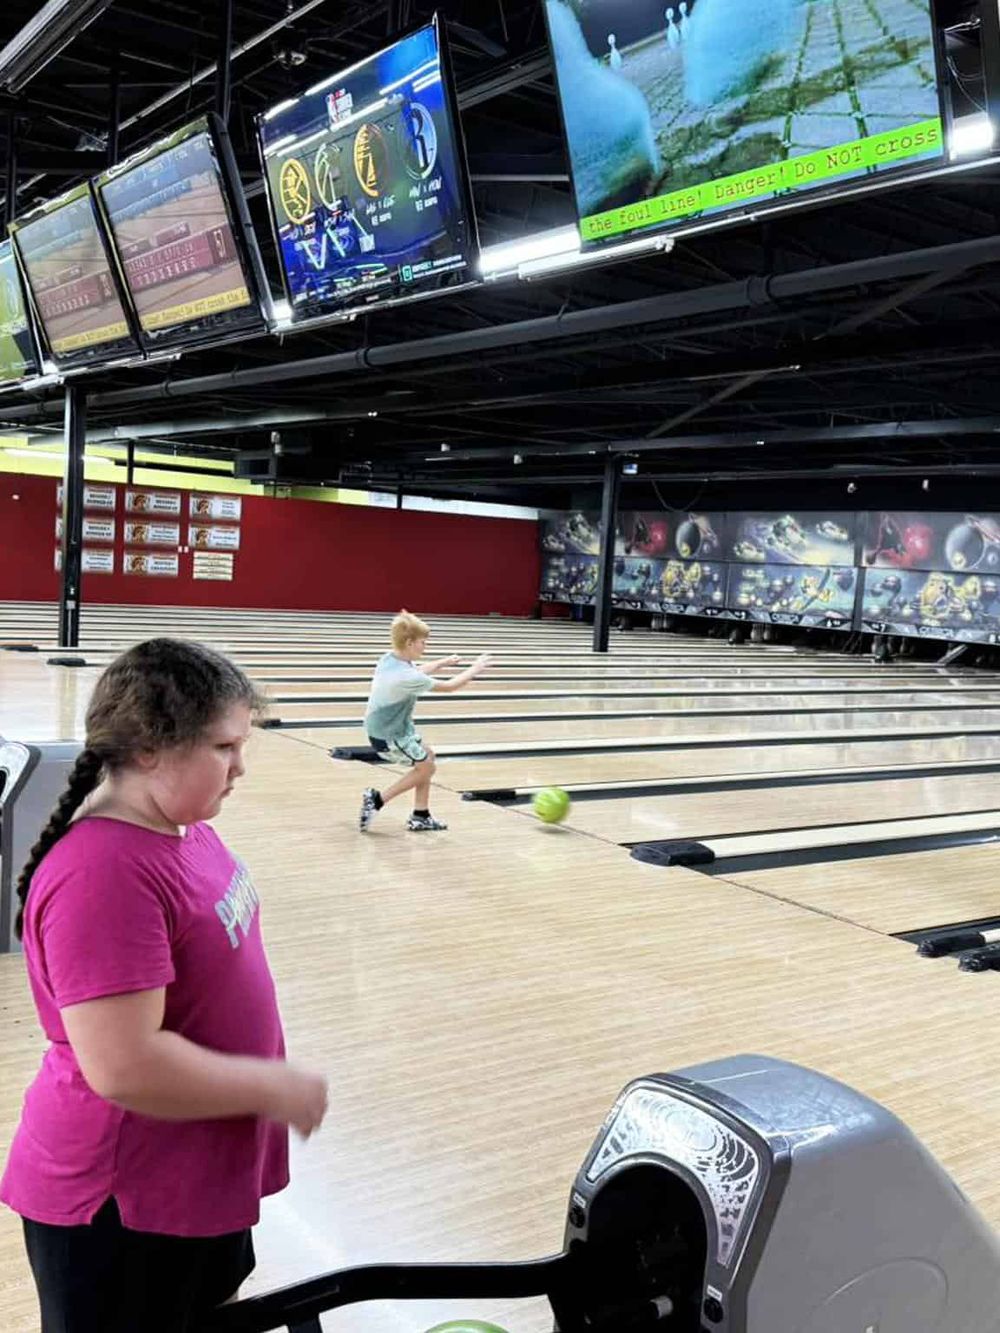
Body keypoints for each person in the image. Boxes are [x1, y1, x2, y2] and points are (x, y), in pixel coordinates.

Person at [0, 639, 329, 1333]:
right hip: (122, 1204)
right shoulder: (104, 872)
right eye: (224, 746)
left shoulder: (179, 828)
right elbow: (125, 1064)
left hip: (188, 1176)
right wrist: (271, 1086)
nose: (240, 766)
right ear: (149, 747)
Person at [359, 609, 492, 832]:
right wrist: (475, 669)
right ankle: (377, 799)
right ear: (410, 643)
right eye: (423, 642)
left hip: (390, 729)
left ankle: (421, 815)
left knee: (428, 757)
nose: (425, 647)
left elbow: (418, 671)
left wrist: (443, 662)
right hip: (389, 735)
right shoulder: (406, 677)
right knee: (426, 768)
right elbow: (450, 687)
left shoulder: (390, 659)